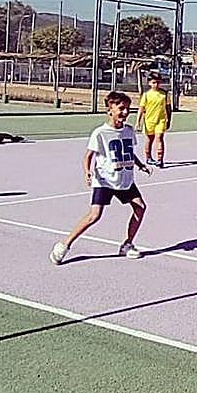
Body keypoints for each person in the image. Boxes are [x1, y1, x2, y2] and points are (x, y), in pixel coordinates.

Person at [49, 91, 151, 265]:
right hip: (104, 179)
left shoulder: (128, 130)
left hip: (125, 179)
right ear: (109, 110)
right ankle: (64, 245)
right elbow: (88, 156)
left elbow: (128, 152)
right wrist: (87, 171)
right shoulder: (100, 133)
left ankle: (127, 244)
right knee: (94, 215)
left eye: (127, 109)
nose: (125, 112)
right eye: (121, 108)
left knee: (140, 207)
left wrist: (140, 165)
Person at [136, 73, 172, 168]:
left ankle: (160, 159)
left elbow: (168, 108)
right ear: (149, 83)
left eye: (158, 82)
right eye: (154, 82)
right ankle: (148, 158)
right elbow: (141, 108)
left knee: (159, 138)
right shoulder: (146, 95)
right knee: (149, 139)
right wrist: (138, 122)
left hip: (160, 120)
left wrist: (169, 120)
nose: (156, 84)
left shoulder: (164, 94)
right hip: (149, 121)